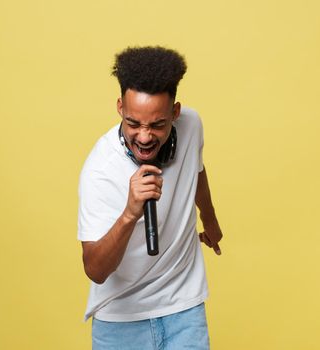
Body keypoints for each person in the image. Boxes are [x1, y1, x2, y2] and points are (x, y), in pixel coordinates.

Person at [78, 46, 223, 350]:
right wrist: (130, 213)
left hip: (185, 309)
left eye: (157, 125)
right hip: (120, 320)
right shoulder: (100, 170)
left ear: (175, 112)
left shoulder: (191, 127)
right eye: (133, 123)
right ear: (120, 107)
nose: (144, 136)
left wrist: (209, 219)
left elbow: (195, 169)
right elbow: (95, 269)